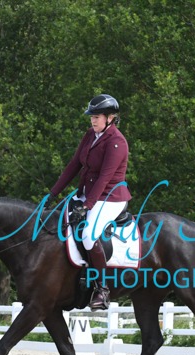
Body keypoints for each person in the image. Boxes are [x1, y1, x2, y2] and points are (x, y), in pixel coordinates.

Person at [48, 94, 132, 310]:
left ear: (110, 118)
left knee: (88, 235)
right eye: (91, 117)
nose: (93, 121)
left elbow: (105, 177)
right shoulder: (90, 135)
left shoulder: (117, 142)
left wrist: (87, 206)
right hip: (88, 194)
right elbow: (74, 165)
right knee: (55, 220)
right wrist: (53, 193)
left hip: (110, 198)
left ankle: (102, 289)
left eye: (97, 117)